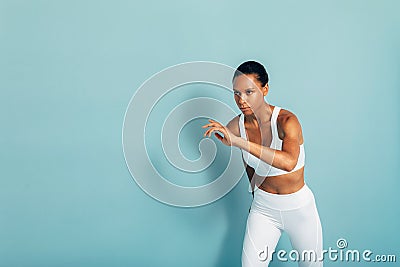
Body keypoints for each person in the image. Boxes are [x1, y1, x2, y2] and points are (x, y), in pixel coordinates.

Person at [202, 61, 323, 266]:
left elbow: (288, 162)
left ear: (265, 89)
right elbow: (250, 167)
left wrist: (240, 142)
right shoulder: (236, 126)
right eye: (236, 93)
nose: (241, 100)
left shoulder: (286, 121)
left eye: (249, 92)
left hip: (300, 209)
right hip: (263, 210)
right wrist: (255, 193)